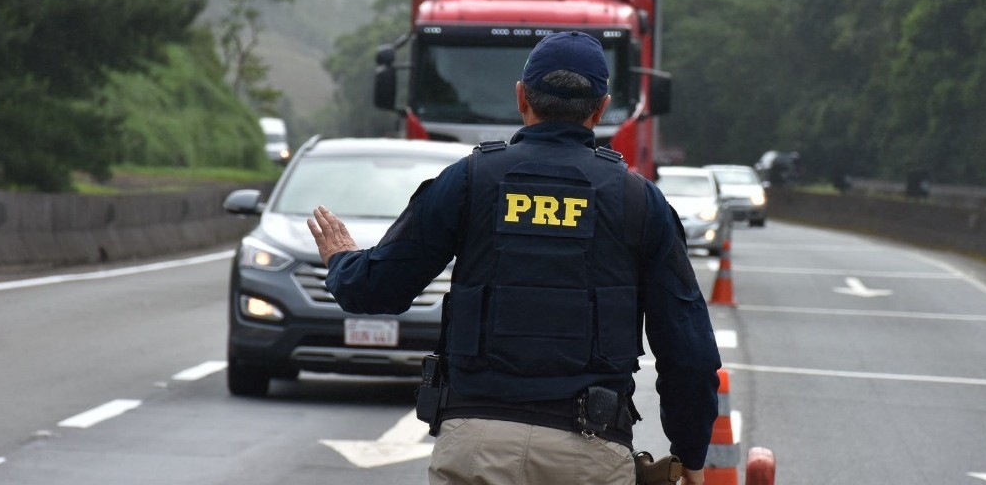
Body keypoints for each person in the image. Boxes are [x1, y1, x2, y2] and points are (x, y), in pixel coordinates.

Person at [307, 31, 721, 485]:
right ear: (601, 109)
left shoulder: (468, 181)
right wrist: (690, 455)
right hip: (588, 454)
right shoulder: (640, 202)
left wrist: (342, 259)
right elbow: (690, 356)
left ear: (522, 97)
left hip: (476, 445)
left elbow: (376, 289)